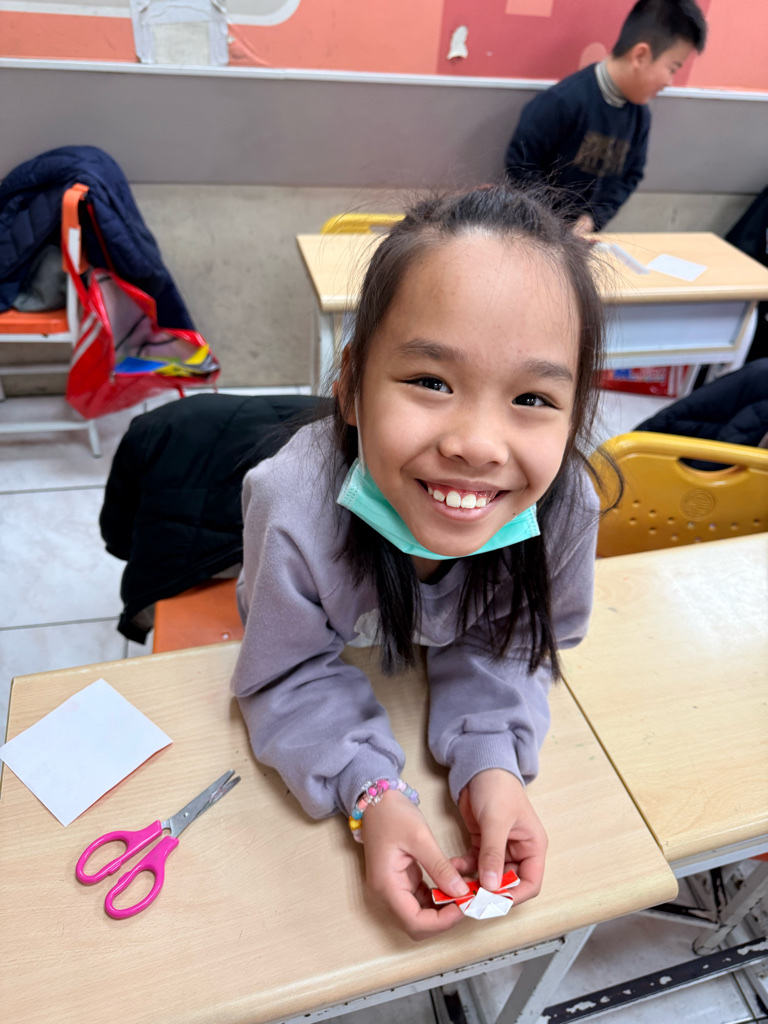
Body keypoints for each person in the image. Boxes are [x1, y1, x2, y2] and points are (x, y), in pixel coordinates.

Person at [231, 185, 613, 940]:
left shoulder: (566, 508)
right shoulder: (295, 506)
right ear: (350, 386)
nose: (477, 445)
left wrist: (493, 760)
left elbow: (514, 644)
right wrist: (371, 794)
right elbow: (285, 671)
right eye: (431, 383)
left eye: (533, 398)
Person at [505, 0, 707, 235]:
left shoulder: (640, 117)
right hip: (539, 232)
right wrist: (551, 221)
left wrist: (593, 219)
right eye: (672, 68)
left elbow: (631, 175)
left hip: (583, 236)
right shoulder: (564, 101)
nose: (669, 82)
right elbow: (521, 161)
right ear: (640, 55)